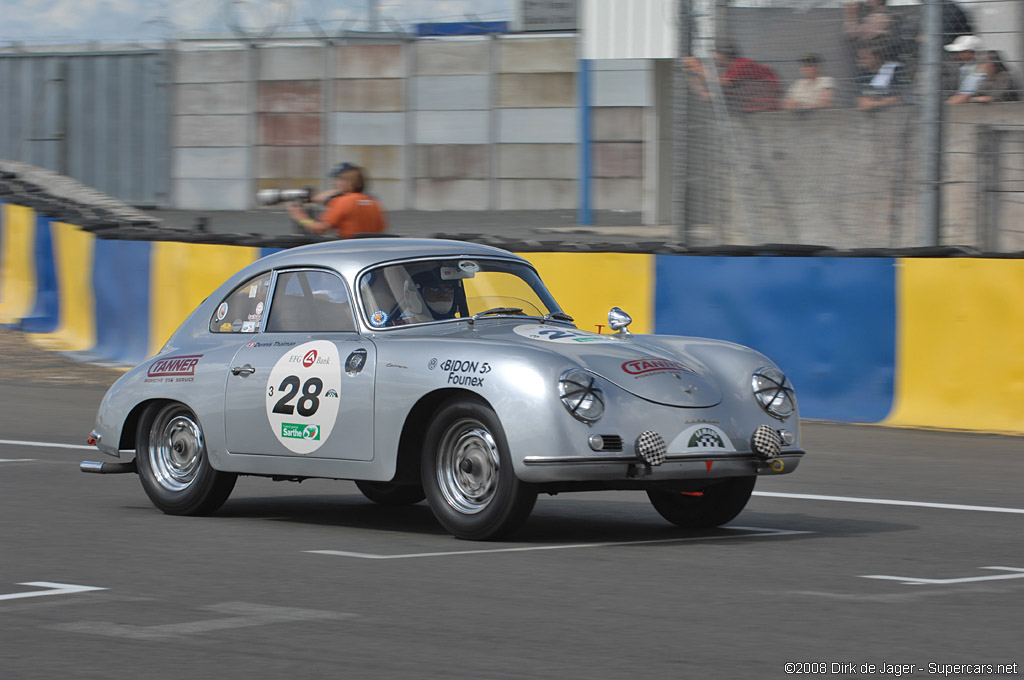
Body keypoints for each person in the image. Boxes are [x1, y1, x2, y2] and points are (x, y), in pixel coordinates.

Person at [288, 163, 388, 238]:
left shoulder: (343, 201)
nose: (335, 183)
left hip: (348, 249)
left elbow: (320, 229)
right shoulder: (374, 202)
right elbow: (381, 228)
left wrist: (301, 217)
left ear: (349, 181)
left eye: (338, 179)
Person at [682, 45, 782, 113]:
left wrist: (700, 69)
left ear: (723, 55)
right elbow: (708, 96)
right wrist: (694, 78)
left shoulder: (743, 64)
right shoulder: (729, 71)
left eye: (716, 54)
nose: (714, 58)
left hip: (764, 105)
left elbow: (722, 83)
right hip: (748, 107)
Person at [855, 45, 911, 111]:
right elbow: (861, 100)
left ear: (877, 58)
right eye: (859, 58)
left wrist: (873, 103)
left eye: (865, 58)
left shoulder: (897, 70)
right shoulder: (862, 75)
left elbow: (900, 97)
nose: (861, 61)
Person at [944, 35, 984, 104]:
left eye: (962, 51)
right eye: (956, 52)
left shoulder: (977, 69)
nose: (957, 54)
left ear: (971, 52)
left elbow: (964, 94)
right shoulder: (958, 67)